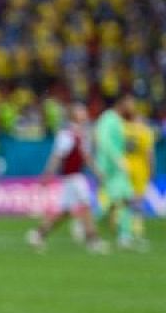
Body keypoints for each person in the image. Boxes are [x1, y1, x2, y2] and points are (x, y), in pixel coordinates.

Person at [27, 103, 107, 253]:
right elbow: (57, 156)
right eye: (80, 112)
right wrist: (48, 174)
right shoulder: (67, 135)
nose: (84, 114)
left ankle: (38, 234)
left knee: (65, 212)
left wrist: (97, 172)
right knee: (86, 206)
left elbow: (87, 157)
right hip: (72, 178)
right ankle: (93, 240)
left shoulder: (83, 134)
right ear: (73, 115)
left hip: (75, 178)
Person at [94, 94, 138, 249]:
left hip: (117, 167)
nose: (133, 107)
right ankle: (91, 223)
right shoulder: (108, 119)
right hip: (109, 167)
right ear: (122, 103)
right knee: (119, 199)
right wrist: (117, 159)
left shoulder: (118, 120)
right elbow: (103, 141)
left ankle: (123, 234)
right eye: (131, 103)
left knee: (124, 199)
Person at [124, 106, 156, 242]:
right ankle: (136, 234)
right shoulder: (146, 132)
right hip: (140, 171)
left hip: (125, 168)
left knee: (125, 203)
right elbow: (149, 154)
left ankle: (124, 233)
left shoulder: (125, 129)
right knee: (137, 203)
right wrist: (151, 170)